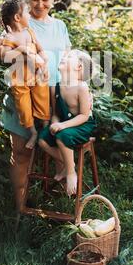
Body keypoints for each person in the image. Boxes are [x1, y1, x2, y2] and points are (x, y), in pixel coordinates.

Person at [0, 0, 71, 214]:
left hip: (55, 96)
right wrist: (27, 54)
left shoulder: (60, 26)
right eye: (35, 0)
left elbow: (68, 57)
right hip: (23, 94)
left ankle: (60, 206)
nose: (39, 5)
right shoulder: (20, 22)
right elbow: (0, 53)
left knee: (60, 147)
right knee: (21, 153)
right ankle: (20, 210)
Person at [38, 49, 97, 196]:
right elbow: (57, 113)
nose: (64, 56)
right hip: (63, 124)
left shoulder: (81, 87)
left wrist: (62, 125)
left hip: (82, 125)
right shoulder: (55, 87)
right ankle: (70, 163)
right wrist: (54, 123)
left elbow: (84, 115)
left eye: (70, 56)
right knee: (42, 139)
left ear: (79, 67)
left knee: (62, 135)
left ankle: (71, 173)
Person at [0, 0, 50, 149]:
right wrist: (21, 49)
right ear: (17, 17)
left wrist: (45, 63)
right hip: (20, 78)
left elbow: (40, 50)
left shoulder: (30, 32)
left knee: (43, 101)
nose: (30, 14)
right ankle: (33, 132)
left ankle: (45, 130)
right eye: (27, 12)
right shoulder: (10, 37)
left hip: (37, 74)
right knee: (24, 107)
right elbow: (5, 56)